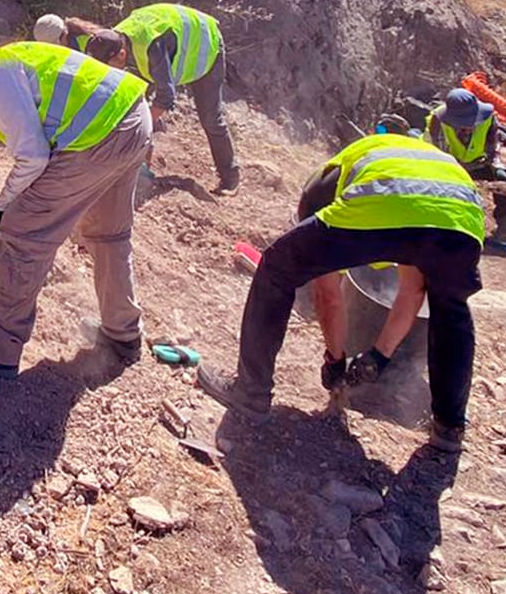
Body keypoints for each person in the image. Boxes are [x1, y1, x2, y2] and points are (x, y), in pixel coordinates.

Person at [196, 132, 485, 451]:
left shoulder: (323, 185)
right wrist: (379, 356)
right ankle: (449, 428)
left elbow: (328, 293)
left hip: (386, 200)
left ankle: (250, 393)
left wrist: (335, 359)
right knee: (451, 309)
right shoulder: (405, 159)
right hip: (463, 217)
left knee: (277, 267)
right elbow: (413, 289)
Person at [0, 39, 153, 380]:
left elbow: (33, 156)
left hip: (99, 135)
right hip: (130, 118)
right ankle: (122, 332)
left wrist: (1, 207)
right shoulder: (3, 60)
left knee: (22, 234)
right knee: (108, 233)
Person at [39, 4, 240, 193]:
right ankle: (141, 166)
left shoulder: (152, 49)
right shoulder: (112, 40)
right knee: (134, 105)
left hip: (205, 45)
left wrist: (143, 122)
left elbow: (166, 97)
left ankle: (230, 179)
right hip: (170, 43)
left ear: (121, 55)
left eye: (112, 66)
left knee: (210, 118)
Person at [425, 87, 506, 257]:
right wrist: (457, 172)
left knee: (503, 177)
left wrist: (491, 162)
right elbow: (436, 155)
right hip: (446, 166)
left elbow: (493, 146)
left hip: (476, 163)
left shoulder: (488, 118)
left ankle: (505, 232)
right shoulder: (437, 121)